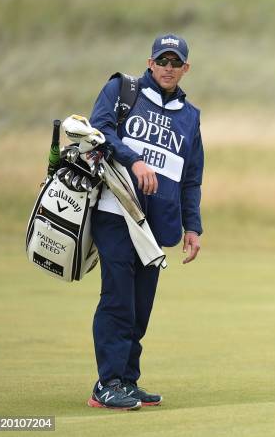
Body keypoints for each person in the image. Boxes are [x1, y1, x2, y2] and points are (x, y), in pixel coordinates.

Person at [87, 34, 204, 410]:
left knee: (140, 305)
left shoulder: (190, 117)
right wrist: (134, 159)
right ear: (150, 63)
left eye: (176, 62)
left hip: (158, 223)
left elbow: (191, 177)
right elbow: (98, 131)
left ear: (186, 68)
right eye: (162, 61)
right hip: (117, 211)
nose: (168, 68)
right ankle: (106, 384)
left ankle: (127, 380)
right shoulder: (123, 90)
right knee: (118, 298)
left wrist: (193, 226)